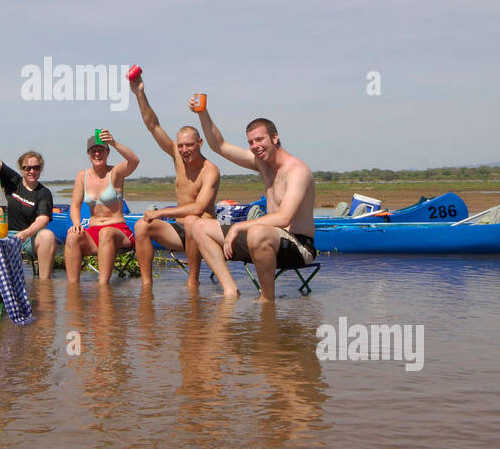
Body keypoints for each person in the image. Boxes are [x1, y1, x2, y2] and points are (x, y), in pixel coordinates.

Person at [189, 106, 316, 300]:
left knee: (257, 230)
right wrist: (202, 113)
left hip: (298, 245)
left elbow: (284, 217)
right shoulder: (261, 163)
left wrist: (238, 227)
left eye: (259, 139)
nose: (255, 146)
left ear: (274, 138)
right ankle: (230, 291)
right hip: (265, 239)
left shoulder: (297, 170)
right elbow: (219, 146)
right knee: (199, 226)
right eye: (251, 142)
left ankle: (267, 300)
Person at [129, 74, 220, 292]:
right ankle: (146, 286)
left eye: (189, 145)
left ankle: (193, 282)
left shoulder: (210, 171)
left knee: (190, 220)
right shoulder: (177, 157)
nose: (184, 150)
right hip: (178, 232)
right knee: (142, 225)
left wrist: (162, 213)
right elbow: (153, 125)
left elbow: (198, 208)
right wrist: (139, 94)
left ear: (200, 143)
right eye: (180, 146)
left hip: (203, 232)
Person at [0, 129, 56, 280]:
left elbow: (42, 220)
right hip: (2, 234)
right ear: (21, 169)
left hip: (27, 238)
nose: (31, 171)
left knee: (47, 236)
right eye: (27, 168)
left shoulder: (44, 193)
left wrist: (25, 233)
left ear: (40, 169)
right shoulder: (12, 181)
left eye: (36, 168)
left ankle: (44, 286)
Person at [64, 130, 140, 283]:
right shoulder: (82, 176)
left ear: (107, 152)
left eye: (101, 150)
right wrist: (77, 224)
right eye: (93, 150)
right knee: (72, 236)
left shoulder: (116, 172)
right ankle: (73, 291)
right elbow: (75, 205)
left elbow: (134, 161)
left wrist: (114, 142)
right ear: (88, 153)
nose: (97, 154)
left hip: (117, 230)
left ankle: (103, 287)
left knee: (105, 232)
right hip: (93, 231)